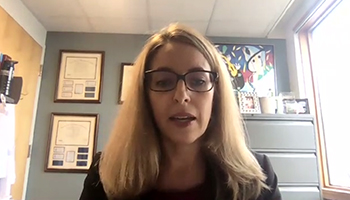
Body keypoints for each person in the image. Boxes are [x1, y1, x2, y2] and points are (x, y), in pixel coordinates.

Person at [79, 23, 281, 200]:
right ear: (144, 96)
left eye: (199, 81)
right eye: (164, 81)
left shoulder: (256, 177)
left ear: (217, 95)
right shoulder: (106, 173)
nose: (182, 95)